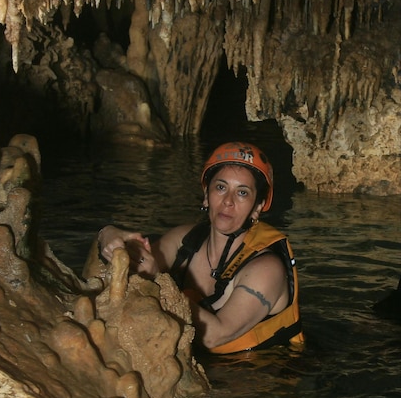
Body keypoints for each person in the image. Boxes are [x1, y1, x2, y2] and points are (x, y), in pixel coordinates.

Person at [96, 141, 304, 354]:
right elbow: (130, 268)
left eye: (242, 193)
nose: (228, 201)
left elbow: (215, 335)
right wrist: (108, 235)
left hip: (261, 377)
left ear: (257, 207)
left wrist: (158, 280)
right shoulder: (184, 240)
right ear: (206, 195)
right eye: (221, 187)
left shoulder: (267, 269)